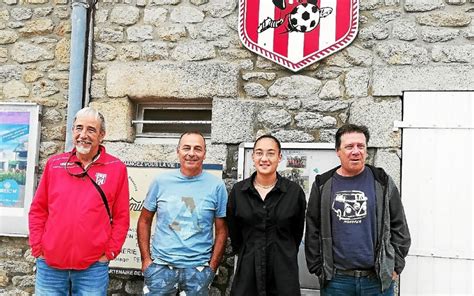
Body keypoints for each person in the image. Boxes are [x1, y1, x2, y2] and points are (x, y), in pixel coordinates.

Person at [28, 107, 130, 295]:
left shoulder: (116, 168)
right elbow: (38, 210)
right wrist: (38, 248)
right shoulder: (55, 164)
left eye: (91, 130)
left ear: (102, 135)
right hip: (50, 266)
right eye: (79, 128)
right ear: (73, 131)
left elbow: (122, 217)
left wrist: (109, 253)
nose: (83, 135)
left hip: (92, 268)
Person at [305, 124, 411, 295]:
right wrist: (318, 267)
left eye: (361, 146)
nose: (356, 151)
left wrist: (395, 265)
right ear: (338, 151)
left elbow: (399, 226)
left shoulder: (382, 182)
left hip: (376, 280)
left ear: (366, 150)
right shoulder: (323, 184)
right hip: (336, 281)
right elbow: (312, 229)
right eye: (349, 146)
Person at [137, 131, 228, 296]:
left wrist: (212, 267)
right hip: (160, 268)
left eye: (197, 149)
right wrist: (146, 260)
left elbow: (222, 230)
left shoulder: (216, 186)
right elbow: (144, 220)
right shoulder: (160, 182)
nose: (191, 153)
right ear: (178, 151)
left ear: (205, 154)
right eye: (186, 148)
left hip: (198, 270)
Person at [227, 135, 307, 296]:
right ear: (253, 157)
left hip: (282, 272)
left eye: (270, 153)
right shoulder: (238, 191)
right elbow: (235, 233)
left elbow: (296, 234)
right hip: (248, 271)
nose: (264, 158)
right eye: (259, 153)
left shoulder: (293, 192)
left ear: (279, 157)